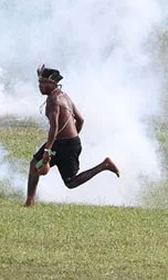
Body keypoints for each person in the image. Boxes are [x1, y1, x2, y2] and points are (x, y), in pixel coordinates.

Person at [25, 65, 120, 207]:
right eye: (39, 83)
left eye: (43, 83)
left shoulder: (53, 101)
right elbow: (80, 120)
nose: (40, 86)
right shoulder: (64, 96)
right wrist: (72, 139)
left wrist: (47, 150)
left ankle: (104, 165)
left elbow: (54, 127)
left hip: (61, 145)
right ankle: (29, 202)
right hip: (69, 143)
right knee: (60, 177)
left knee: (65, 179)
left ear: (52, 84)